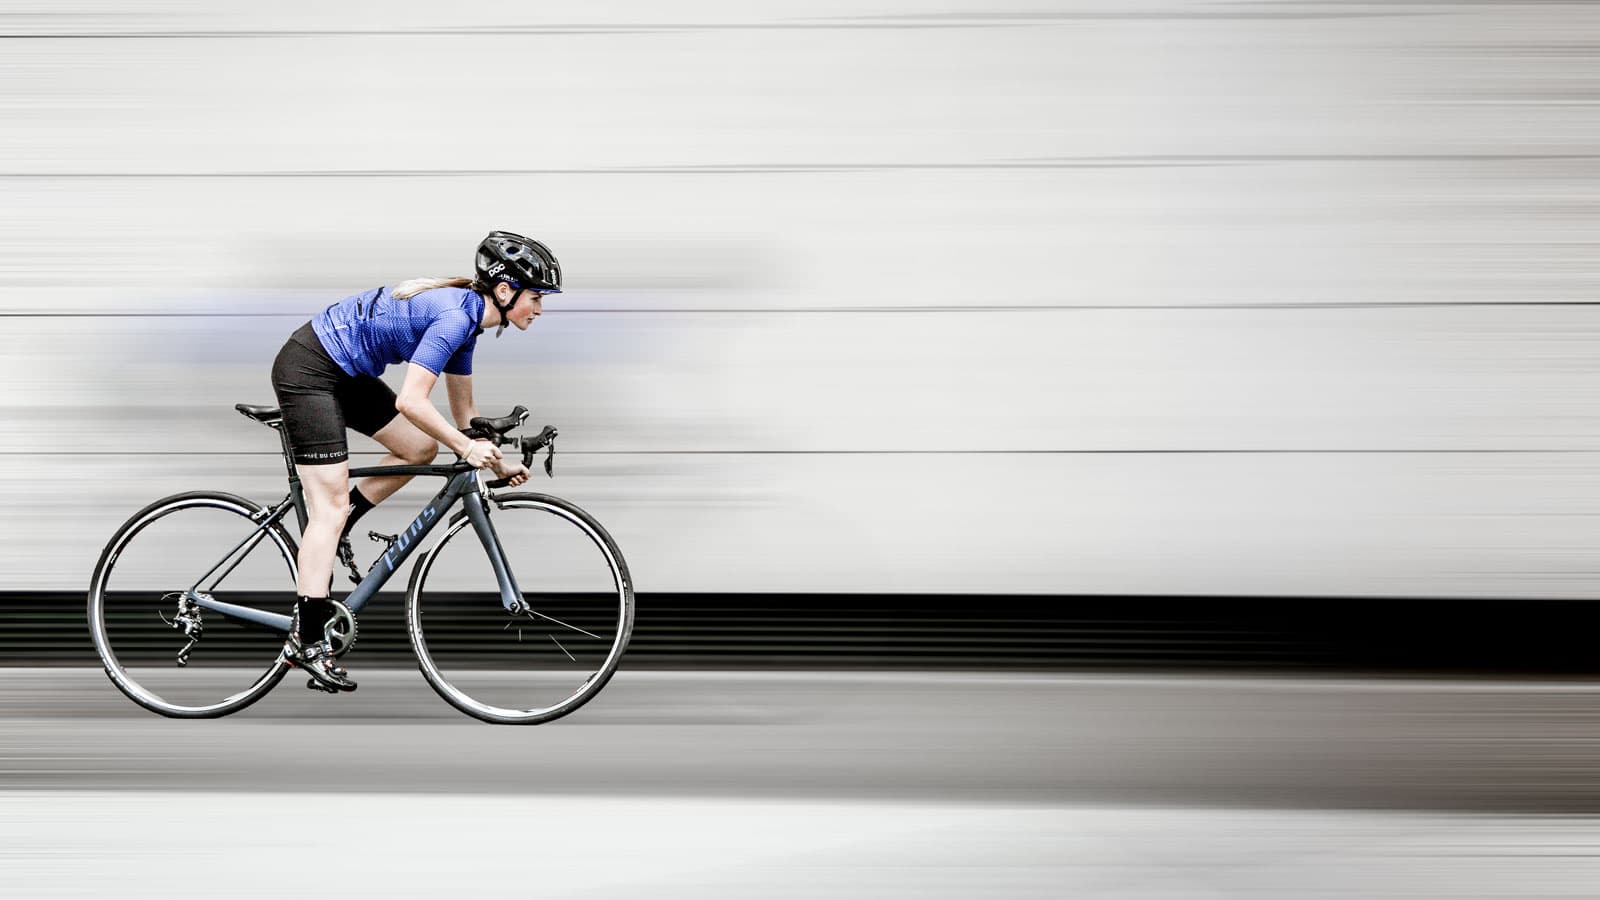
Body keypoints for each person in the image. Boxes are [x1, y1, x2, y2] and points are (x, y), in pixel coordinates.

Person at [268, 231, 561, 692]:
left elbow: (466, 420)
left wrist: (495, 461)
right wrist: (465, 450)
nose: (540, 308)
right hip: (312, 369)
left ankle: (341, 524)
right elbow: (411, 402)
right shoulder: (452, 318)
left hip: (346, 372)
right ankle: (305, 641)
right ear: (504, 292)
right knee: (327, 507)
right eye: (537, 297)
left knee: (419, 450)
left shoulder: (468, 322)